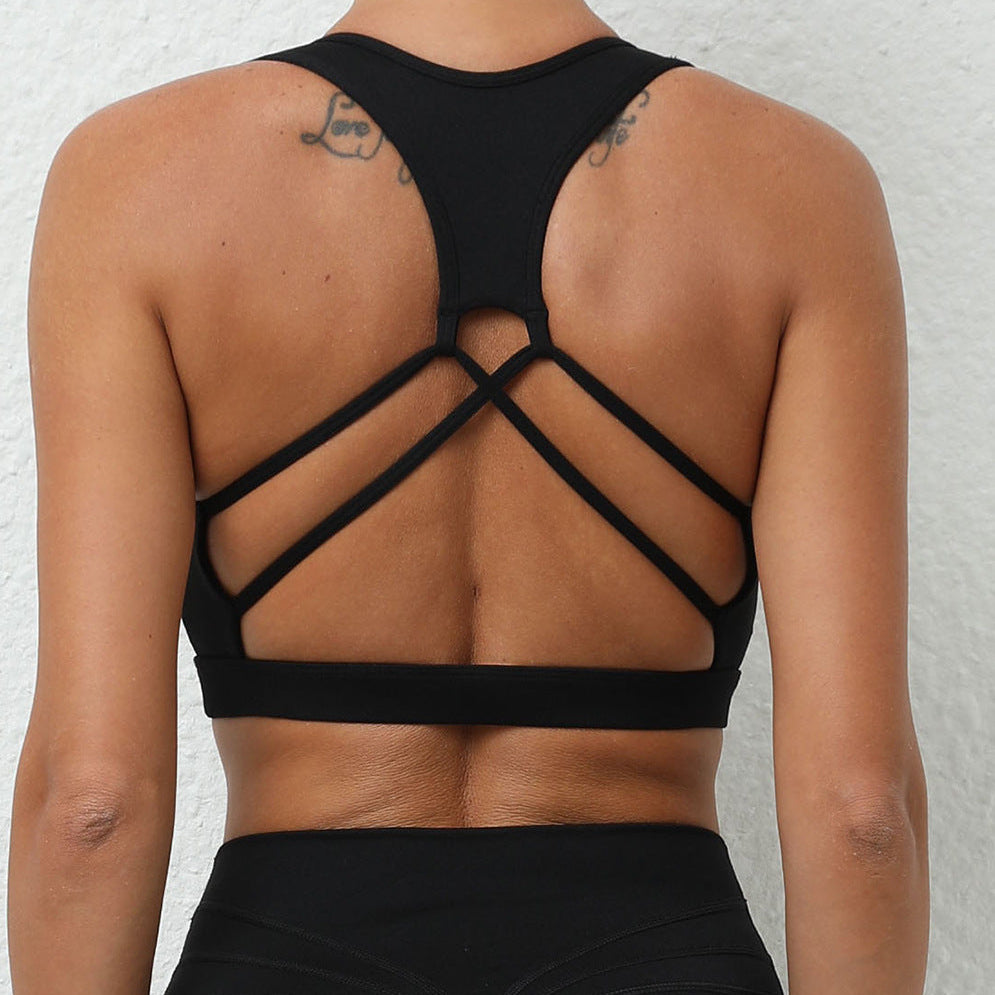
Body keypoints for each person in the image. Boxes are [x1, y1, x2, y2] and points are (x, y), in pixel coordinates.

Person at [8, 0, 930, 992]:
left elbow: (90, 801)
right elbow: (860, 811)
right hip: (662, 949)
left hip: (284, 950)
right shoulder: (799, 190)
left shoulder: (138, 176)